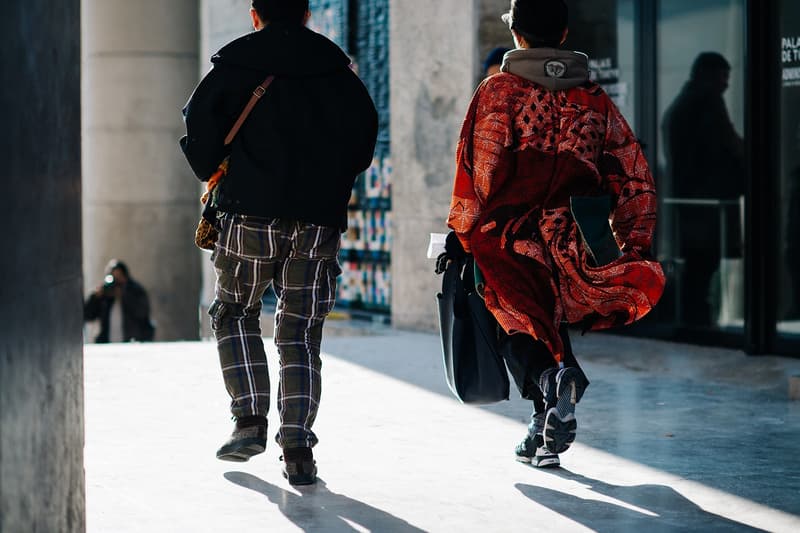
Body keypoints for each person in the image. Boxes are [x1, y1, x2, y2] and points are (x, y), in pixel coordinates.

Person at [443, 0, 664, 467]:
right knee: (549, 321)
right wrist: (632, 241)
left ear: (517, 35)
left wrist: (462, 234)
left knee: (513, 320)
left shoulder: (499, 92)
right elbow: (632, 173)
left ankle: (551, 380)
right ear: (563, 34)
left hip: (510, 237)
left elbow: (476, 170)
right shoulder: (594, 98)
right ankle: (542, 436)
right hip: (571, 239)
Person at [179, 0, 377, 486]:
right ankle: (297, 448)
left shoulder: (234, 64)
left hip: (249, 212)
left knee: (235, 311)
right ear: (307, 13)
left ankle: (249, 419)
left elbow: (201, 140)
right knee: (300, 332)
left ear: (254, 13)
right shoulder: (336, 69)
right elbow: (363, 144)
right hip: (317, 219)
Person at [662, 52, 745, 326]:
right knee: (701, 271)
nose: (726, 85)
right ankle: (697, 326)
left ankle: (693, 323)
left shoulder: (681, 106)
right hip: (706, 208)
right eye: (723, 77)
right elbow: (729, 145)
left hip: (692, 206)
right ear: (707, 76)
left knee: (697, 273)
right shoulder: (705, 103)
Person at [84, 260, 155, 343]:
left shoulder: (136, 291)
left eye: (119, 278)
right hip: (107, 344)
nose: (116, 283)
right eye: (113, 278)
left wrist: (124, 295)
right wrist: (95, 298)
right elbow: (88, 315)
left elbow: (142, 313)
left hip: (132, 343)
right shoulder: (106, 297)